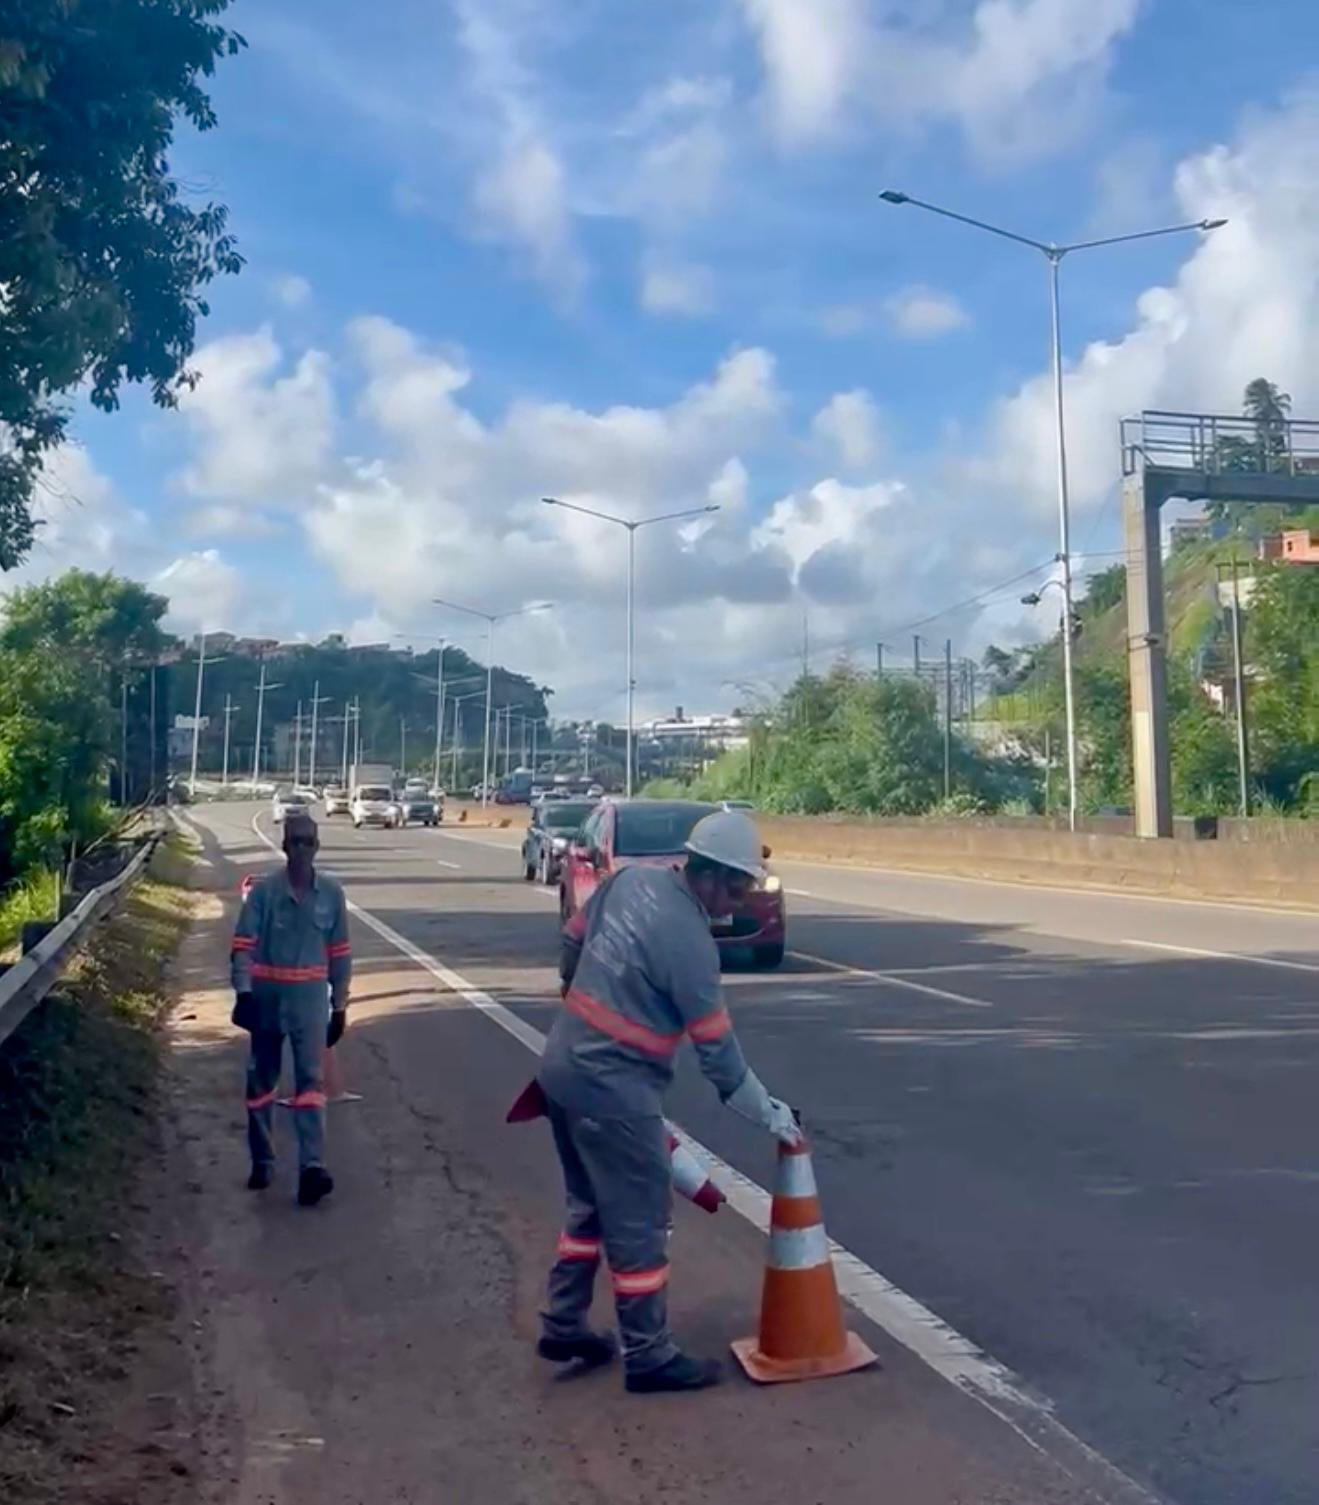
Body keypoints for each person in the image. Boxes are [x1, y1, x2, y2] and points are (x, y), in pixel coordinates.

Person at [536, 809, 800, 1393]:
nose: (739, 898)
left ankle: (562, 1322)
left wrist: (575, 1002)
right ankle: (649, 1355)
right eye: (736, 885)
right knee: (640, 1222)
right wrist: (772, 1115)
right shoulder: (692, 947)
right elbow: (719, 1059)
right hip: (615, 1091)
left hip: (561, 1071)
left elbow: (571, 941)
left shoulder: (629, 882)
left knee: (588, 1208)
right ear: (706, 874)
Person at [231, 813, 351, 1206]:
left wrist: (340, 1007)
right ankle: (263, 1160)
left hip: (309, 1004)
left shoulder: (331, 896)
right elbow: (243, 945)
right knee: (261, 1082)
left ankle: (312, 1169)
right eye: (295, 842)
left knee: (311, 1085)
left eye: (308, 842)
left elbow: (340, 954)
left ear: (317, 847)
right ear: (284, 847)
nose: (301, 849)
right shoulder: (265, 894)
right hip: (267, 1000)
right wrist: (244, 993)